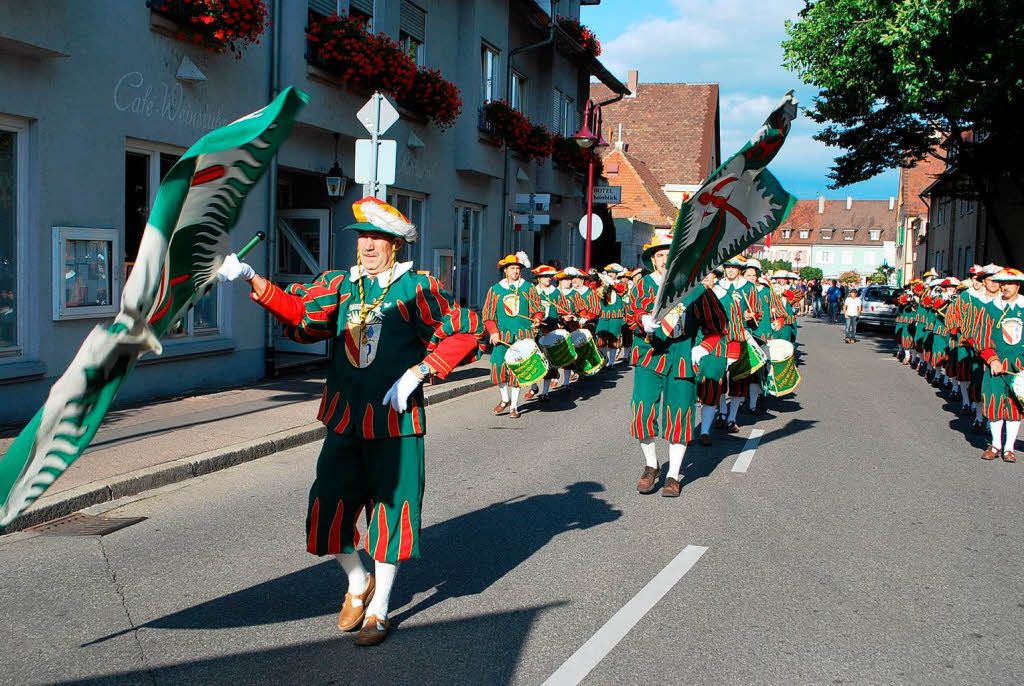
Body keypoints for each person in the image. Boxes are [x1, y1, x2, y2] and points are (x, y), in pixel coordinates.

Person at [216, 197, 483, 646]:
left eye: (377, 238)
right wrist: (253, 278)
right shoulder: (340, 284)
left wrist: (420, 371)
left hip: (396, 424)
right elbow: (303, 314)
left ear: (396, 244)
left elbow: (467, 328)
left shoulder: (418, 288)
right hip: (344, 418)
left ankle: (380, 610)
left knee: (391, 512)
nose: (368, 245)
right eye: (362, 236)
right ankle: (359, 583)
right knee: (328, 509)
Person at [626, 233, 728, 496]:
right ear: (653, 260)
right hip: (649, 355)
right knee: (642, 413)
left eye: (669, 256)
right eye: (659, 256)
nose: (664, 260)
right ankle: (651, 466)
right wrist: (641, 319)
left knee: (679, 415)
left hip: (682, 358)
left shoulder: (696, 290)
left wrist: (702, 347)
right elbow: (630, 314)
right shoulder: (642, 286)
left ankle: (673, 475)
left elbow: (717, 325)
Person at [483, 252, 544, 418]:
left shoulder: (528, 288)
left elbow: (537, 309)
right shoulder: (495, 290)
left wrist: (537, 319)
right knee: (498, 368)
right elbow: (488, 315)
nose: (515, 272)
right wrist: (493, 332)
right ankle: (505, 399)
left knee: (518, 370)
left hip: (523, 336)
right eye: (512, 269)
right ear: (505, 270)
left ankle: (514, 406)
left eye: (518, 268)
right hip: (502, 337)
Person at [976, 268, 1024, 462]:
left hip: (1019, 366)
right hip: (996, 365)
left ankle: (1009, 448)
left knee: (1015, 408)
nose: (1004, 286)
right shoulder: (990, 308)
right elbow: (981, 337)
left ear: (1018, 286)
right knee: (995, 405)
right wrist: (992, 359)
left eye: (1009, 283)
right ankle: (995, 444)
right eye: (1002, 283)